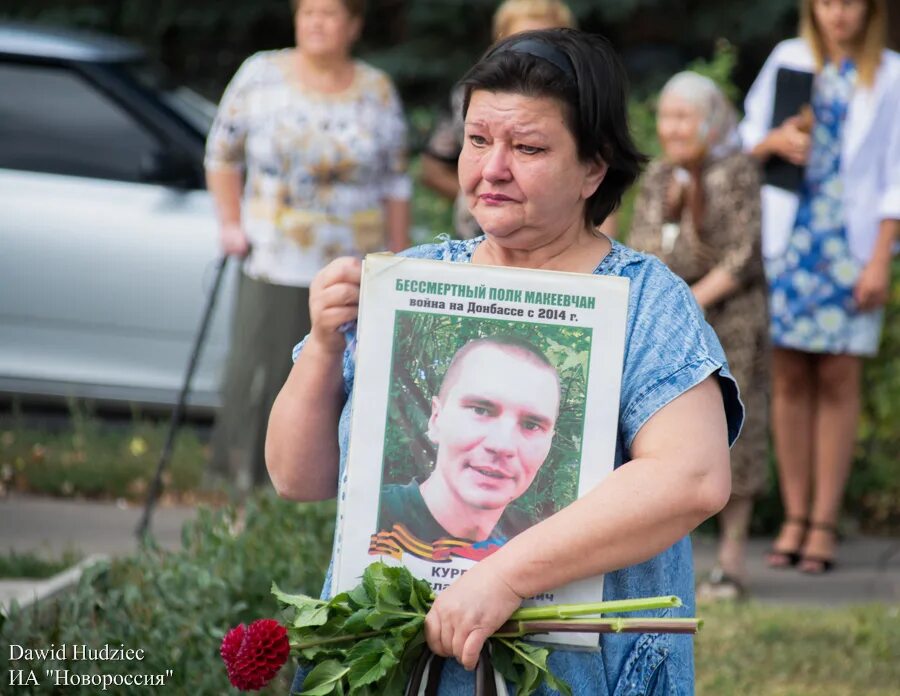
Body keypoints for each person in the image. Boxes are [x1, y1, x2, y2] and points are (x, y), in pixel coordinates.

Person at [268, 29, 742, 694]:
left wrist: (505, 575)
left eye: (528, 147)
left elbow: (692, 478)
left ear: (593, 169)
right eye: (478, 139)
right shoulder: (412, 282)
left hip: (578, 676)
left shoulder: (644, 301)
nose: (492, 167)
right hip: (391, 668)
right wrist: (321, 345)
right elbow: (298, 475)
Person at [204, 0, 411, 493]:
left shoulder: (376, 89)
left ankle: (326, 495)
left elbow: (396, 181)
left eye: (330, 13)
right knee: (261, 374)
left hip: (353, 267)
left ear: (354, 26)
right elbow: (221, 154)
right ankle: (243, 488)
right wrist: (231, 223)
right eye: (308, 12)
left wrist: (399, 258)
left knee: (343, 378)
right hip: (274, 258)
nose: (316, 22)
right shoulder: (260, 75)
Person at [740, 0, 900, 574]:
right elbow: (744, 141)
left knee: (836, 376)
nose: (838, 14)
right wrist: (776, 142)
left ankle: (824, 523)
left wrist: (880, 258)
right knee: (787, 377)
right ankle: (793, 516)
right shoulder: (789, 59)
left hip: (848, 249)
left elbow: (895, 177)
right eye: (827, 2)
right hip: (790, 242)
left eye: (850, 3)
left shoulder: (890, 74)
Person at [629, 72, 769, 599]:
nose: (673, 128)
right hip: (669, 318)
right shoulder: (659, 175)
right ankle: (664, 558)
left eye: (685, 117)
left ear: (711, 123)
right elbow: (642, 244)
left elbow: (743, 255)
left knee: (738, 430)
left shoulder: (737, 171)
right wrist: (666, 302)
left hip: (730, 316)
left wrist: (688, 301)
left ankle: (731, 559)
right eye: (666, 116)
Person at [378, 336, 560, 547]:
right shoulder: (371, 515)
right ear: (436, 419)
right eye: (480, 410)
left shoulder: (539, 546)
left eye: (531, 425)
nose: (502, 445)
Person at [420, 0, 578, 239]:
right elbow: (433, 167)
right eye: (479, 139)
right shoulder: (467, 94)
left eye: (529, 147)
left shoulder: (583, 101)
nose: (530, 56)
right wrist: (482, 194)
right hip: (475, 233)